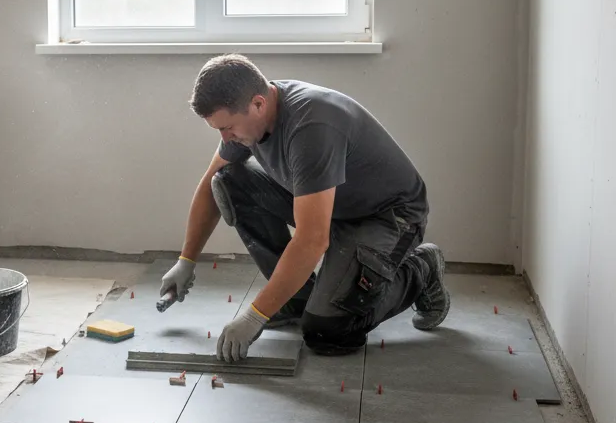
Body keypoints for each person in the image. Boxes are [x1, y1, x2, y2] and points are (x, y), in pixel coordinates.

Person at [159, 54, 450, 361]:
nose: (224, 138)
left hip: (387, 215)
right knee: (228, 180)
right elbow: (208, 185)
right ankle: (295, 299)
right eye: (218, 130)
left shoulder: (311, 127)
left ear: (257, 104)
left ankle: (422, 268)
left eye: (227, 128)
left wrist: (255, 315)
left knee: (329, 331)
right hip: (332, 207)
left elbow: (312, 239)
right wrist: (186, 260)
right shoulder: (249, 118)